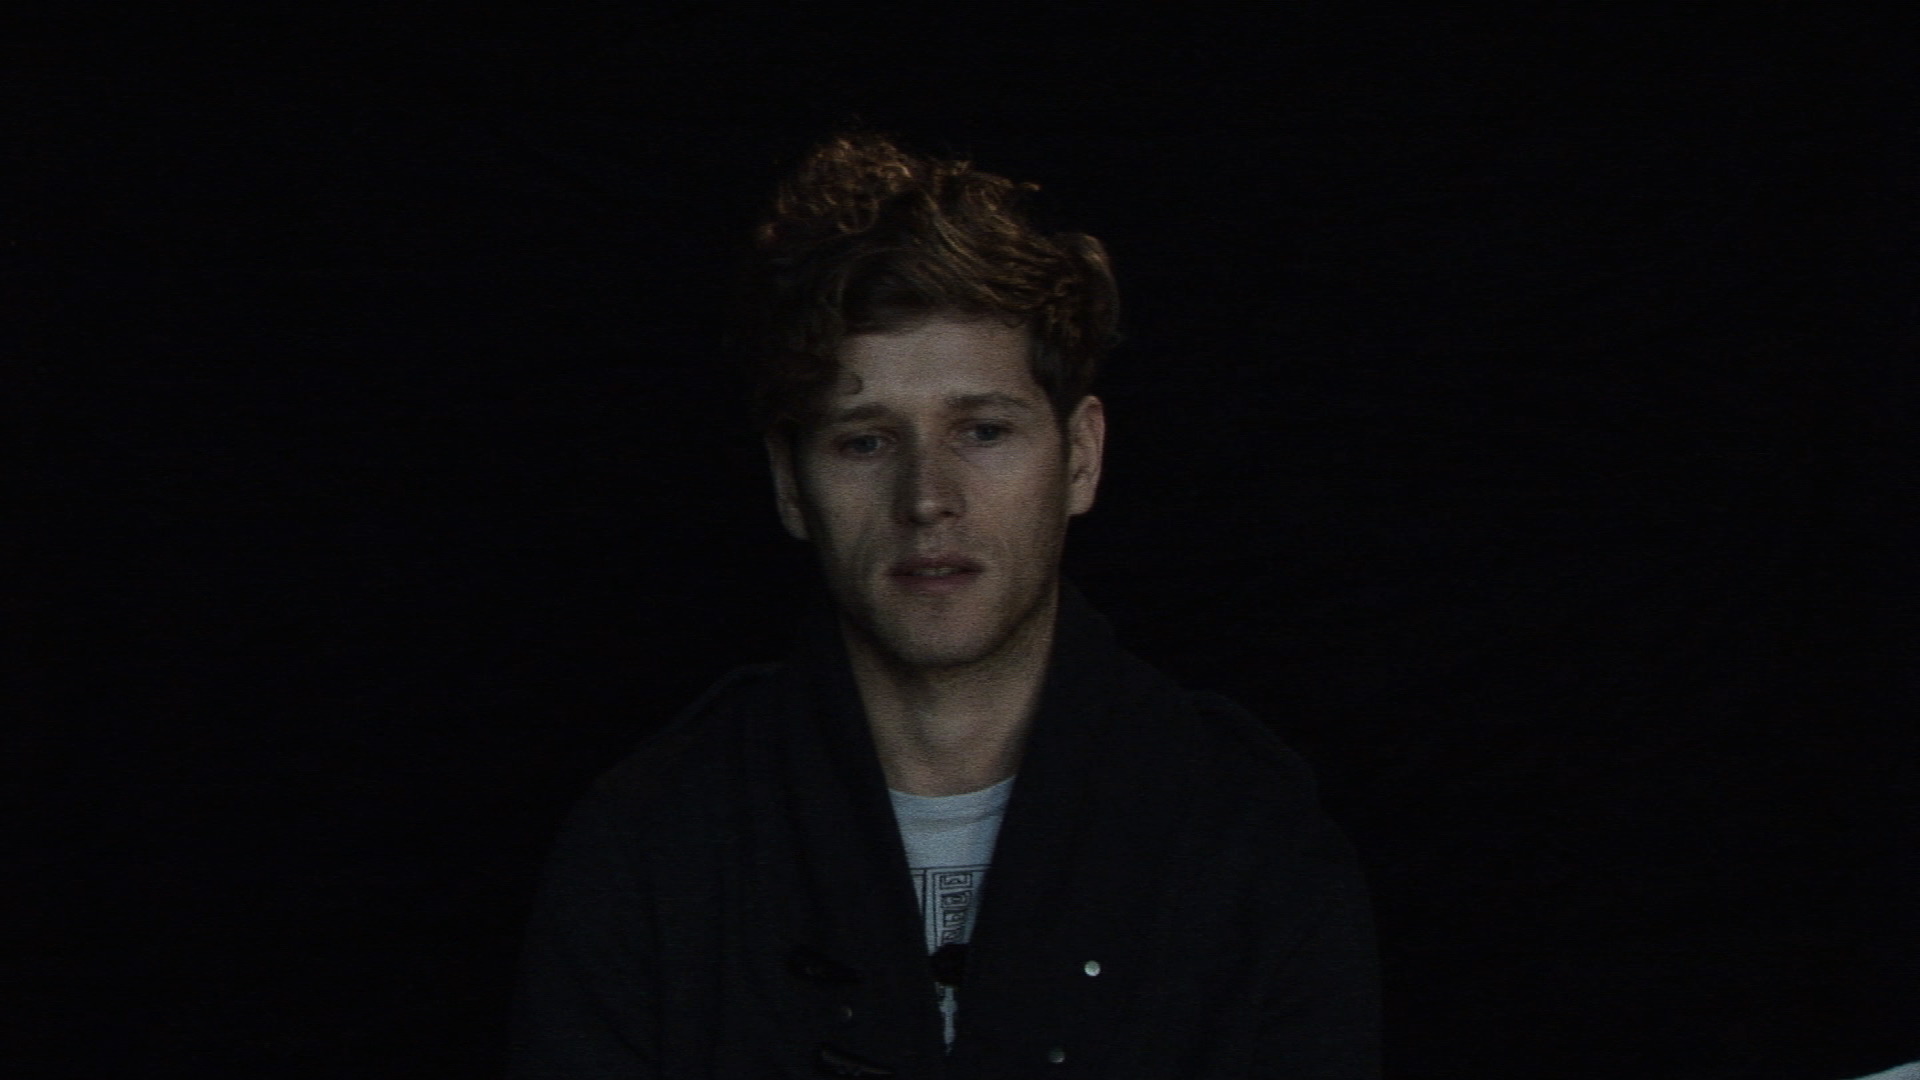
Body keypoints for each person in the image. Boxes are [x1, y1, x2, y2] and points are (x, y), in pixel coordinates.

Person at [506, 132, 1381, 1077]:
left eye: (984, 431)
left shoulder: (1246, 838)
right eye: (865, 441)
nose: (928, 499)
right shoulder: (650, 847)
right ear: (791, 484)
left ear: (1081, 457)